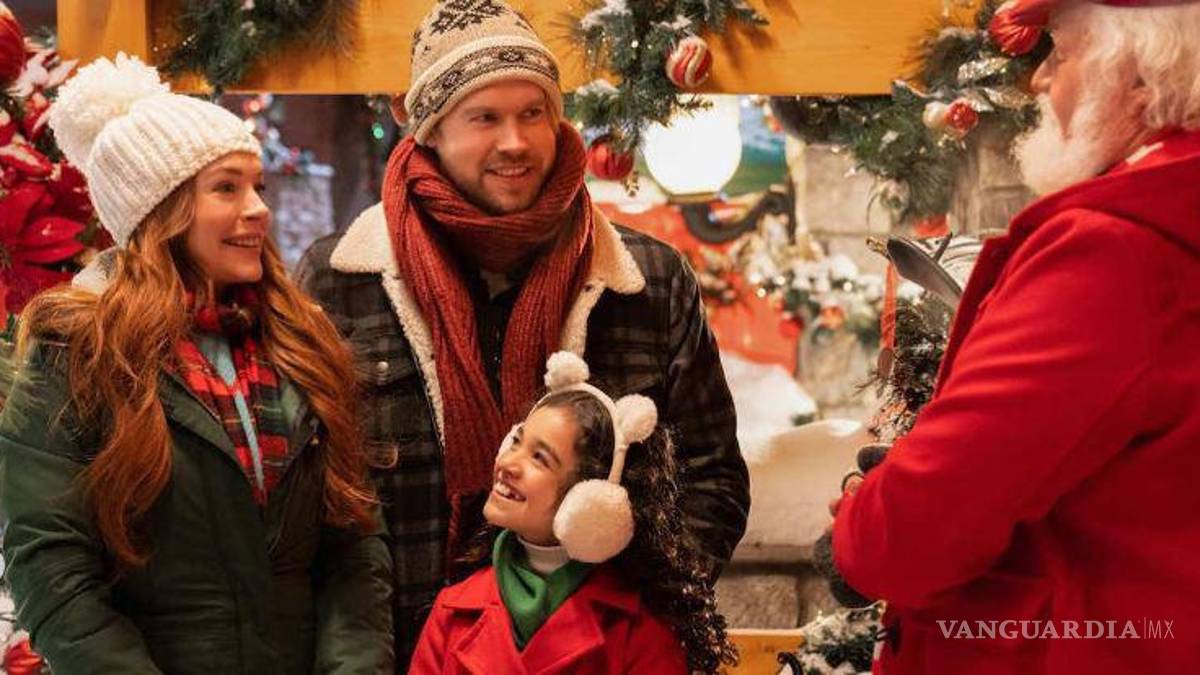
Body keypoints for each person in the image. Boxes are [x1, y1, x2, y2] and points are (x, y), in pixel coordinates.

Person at [295, 0, 750, 662]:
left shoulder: (647, 280)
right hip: (400, 655)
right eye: (484, 117)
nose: (515, 141)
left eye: (533, 113)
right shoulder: (339, 280)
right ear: (431, 132)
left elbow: (712, 478)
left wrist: (631, 624)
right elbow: (314, 505)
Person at [829, 1, 1200, 673]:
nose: (1039, 79)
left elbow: (913, 533)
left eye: (1061, 54)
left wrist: (861, 519)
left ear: (1142, 79)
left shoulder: (1112, 252)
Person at [0, 54, 393, 674]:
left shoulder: (303, 342)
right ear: (161, 210)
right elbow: (52, 570)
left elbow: (355, 546)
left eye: (257, 186)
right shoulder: (77, 351)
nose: (259, 209)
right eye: (227, 188)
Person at [409, 352, 736, 674]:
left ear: (588, 501)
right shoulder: (451, 611)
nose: (507, 463)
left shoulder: (641, 634)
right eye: (516, 442)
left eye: (539, 458)